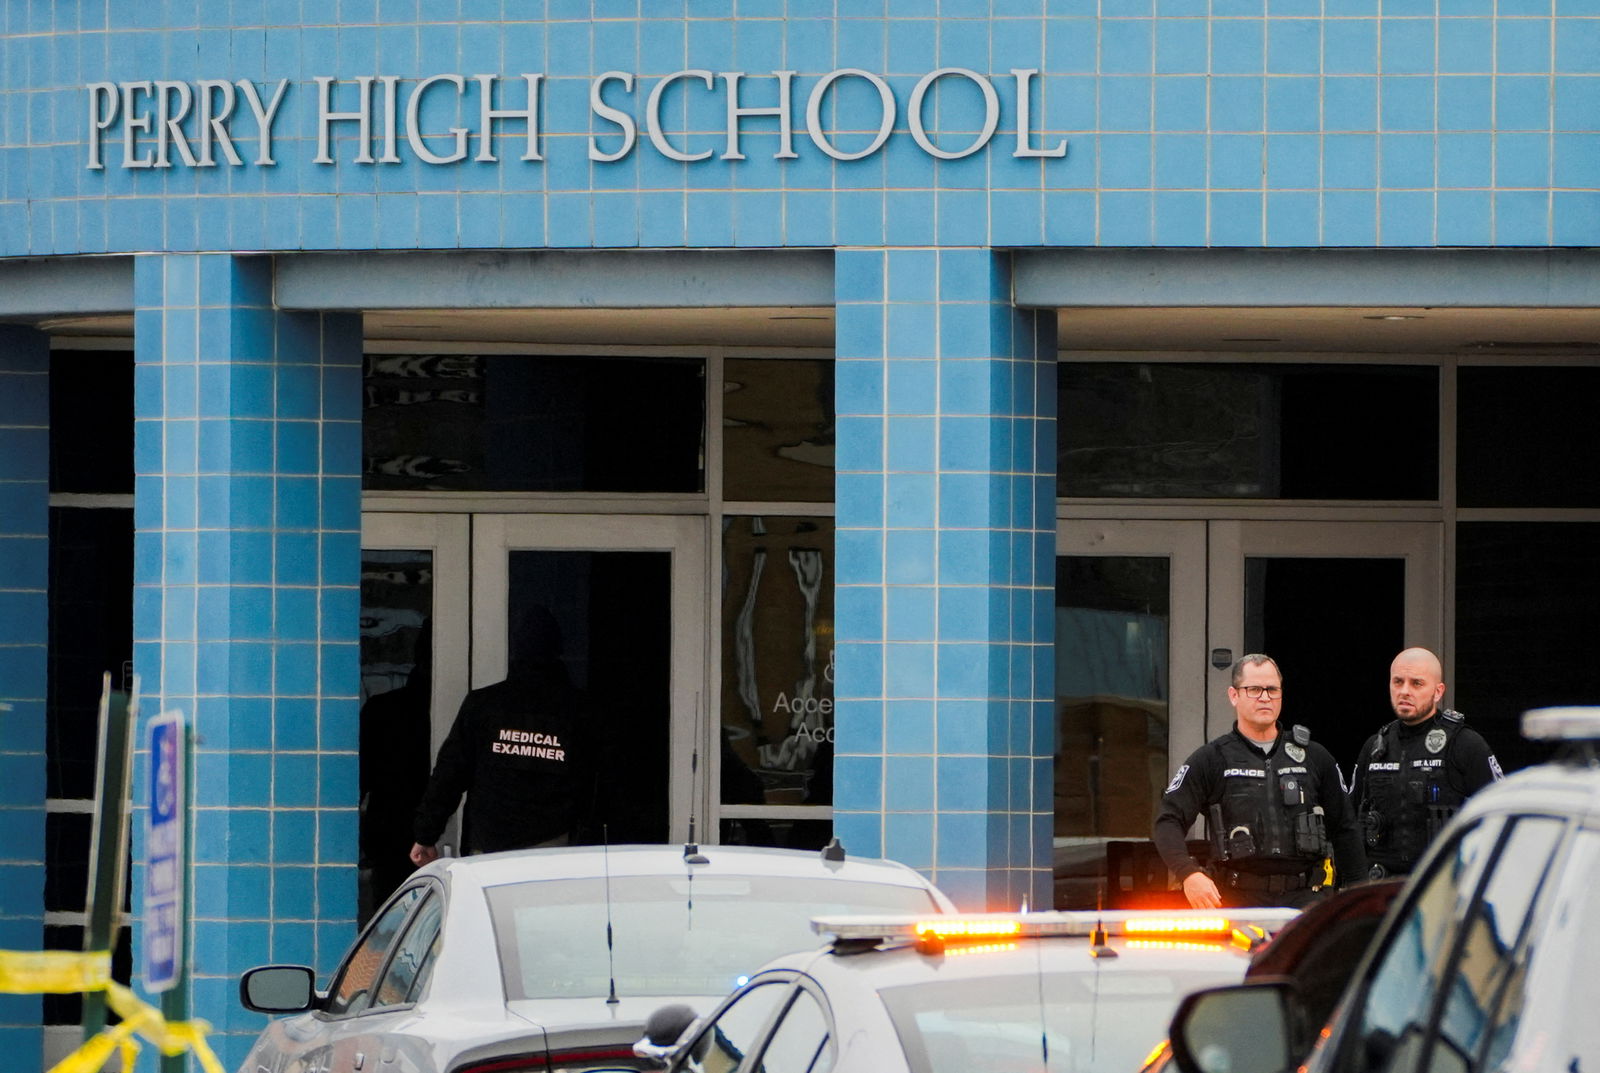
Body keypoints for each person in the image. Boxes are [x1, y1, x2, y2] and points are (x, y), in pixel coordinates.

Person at [1153, 654, 1366, 908]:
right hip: (1235, 901)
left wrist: (1359, 896)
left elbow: (1345, 829)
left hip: (1305, 899)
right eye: (1254, 689)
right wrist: (1188, 873)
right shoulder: (1212, 759)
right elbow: (1167, 821)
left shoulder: (1315, 757)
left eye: (1272, 689)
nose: (1265, 697)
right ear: (1234, 695)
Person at [410, 606, 588, 864]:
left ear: (514, 651)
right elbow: (600, 781)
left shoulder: (484, 705)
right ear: (558, 650)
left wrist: (426, 834)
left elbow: (450, 774)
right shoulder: (580, 710)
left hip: (490, 847)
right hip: (556, 848)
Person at [1350, 647, 1502, 879]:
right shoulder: (1374, 748)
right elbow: (1349, 821)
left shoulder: (1465, 743)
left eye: (1417, 684)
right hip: (1380, 887)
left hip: (1442, 885)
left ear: (1438, 691)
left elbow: (1500, 814)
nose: (1405, 691)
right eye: (1398, 682)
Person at [359, 616, 434, 910]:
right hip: (398, 836)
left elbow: (358, 783)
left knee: (387, 928)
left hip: (389, 835)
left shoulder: (383, 710)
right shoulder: (470, 709)